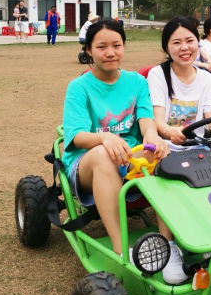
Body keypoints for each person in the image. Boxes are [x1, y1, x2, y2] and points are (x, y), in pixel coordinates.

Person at [62, 18, 172, 278]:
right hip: (88, 162)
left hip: (129, 157)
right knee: (104, 155)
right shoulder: (79, 87)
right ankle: (122, 251)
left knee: (162, 152)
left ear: (124, 46)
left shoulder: (137, 82)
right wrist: (104, 138)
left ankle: (167, 246)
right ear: (88, 50)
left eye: (116, 45)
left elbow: (146, 119)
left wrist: (153, 137)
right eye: (101, 47)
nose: (110, 52)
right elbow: (77, 136)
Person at [147, 17, 211, 281]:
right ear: (167, 48)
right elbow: (157, 120)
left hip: (196, 148)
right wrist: (170, 132)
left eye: (189, 41)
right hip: (165, 146)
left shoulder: (206, 79)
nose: (184, 48)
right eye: (176, 42)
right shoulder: (158, 74)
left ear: (197, 44)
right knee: (167, 174)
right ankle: (168, 246)